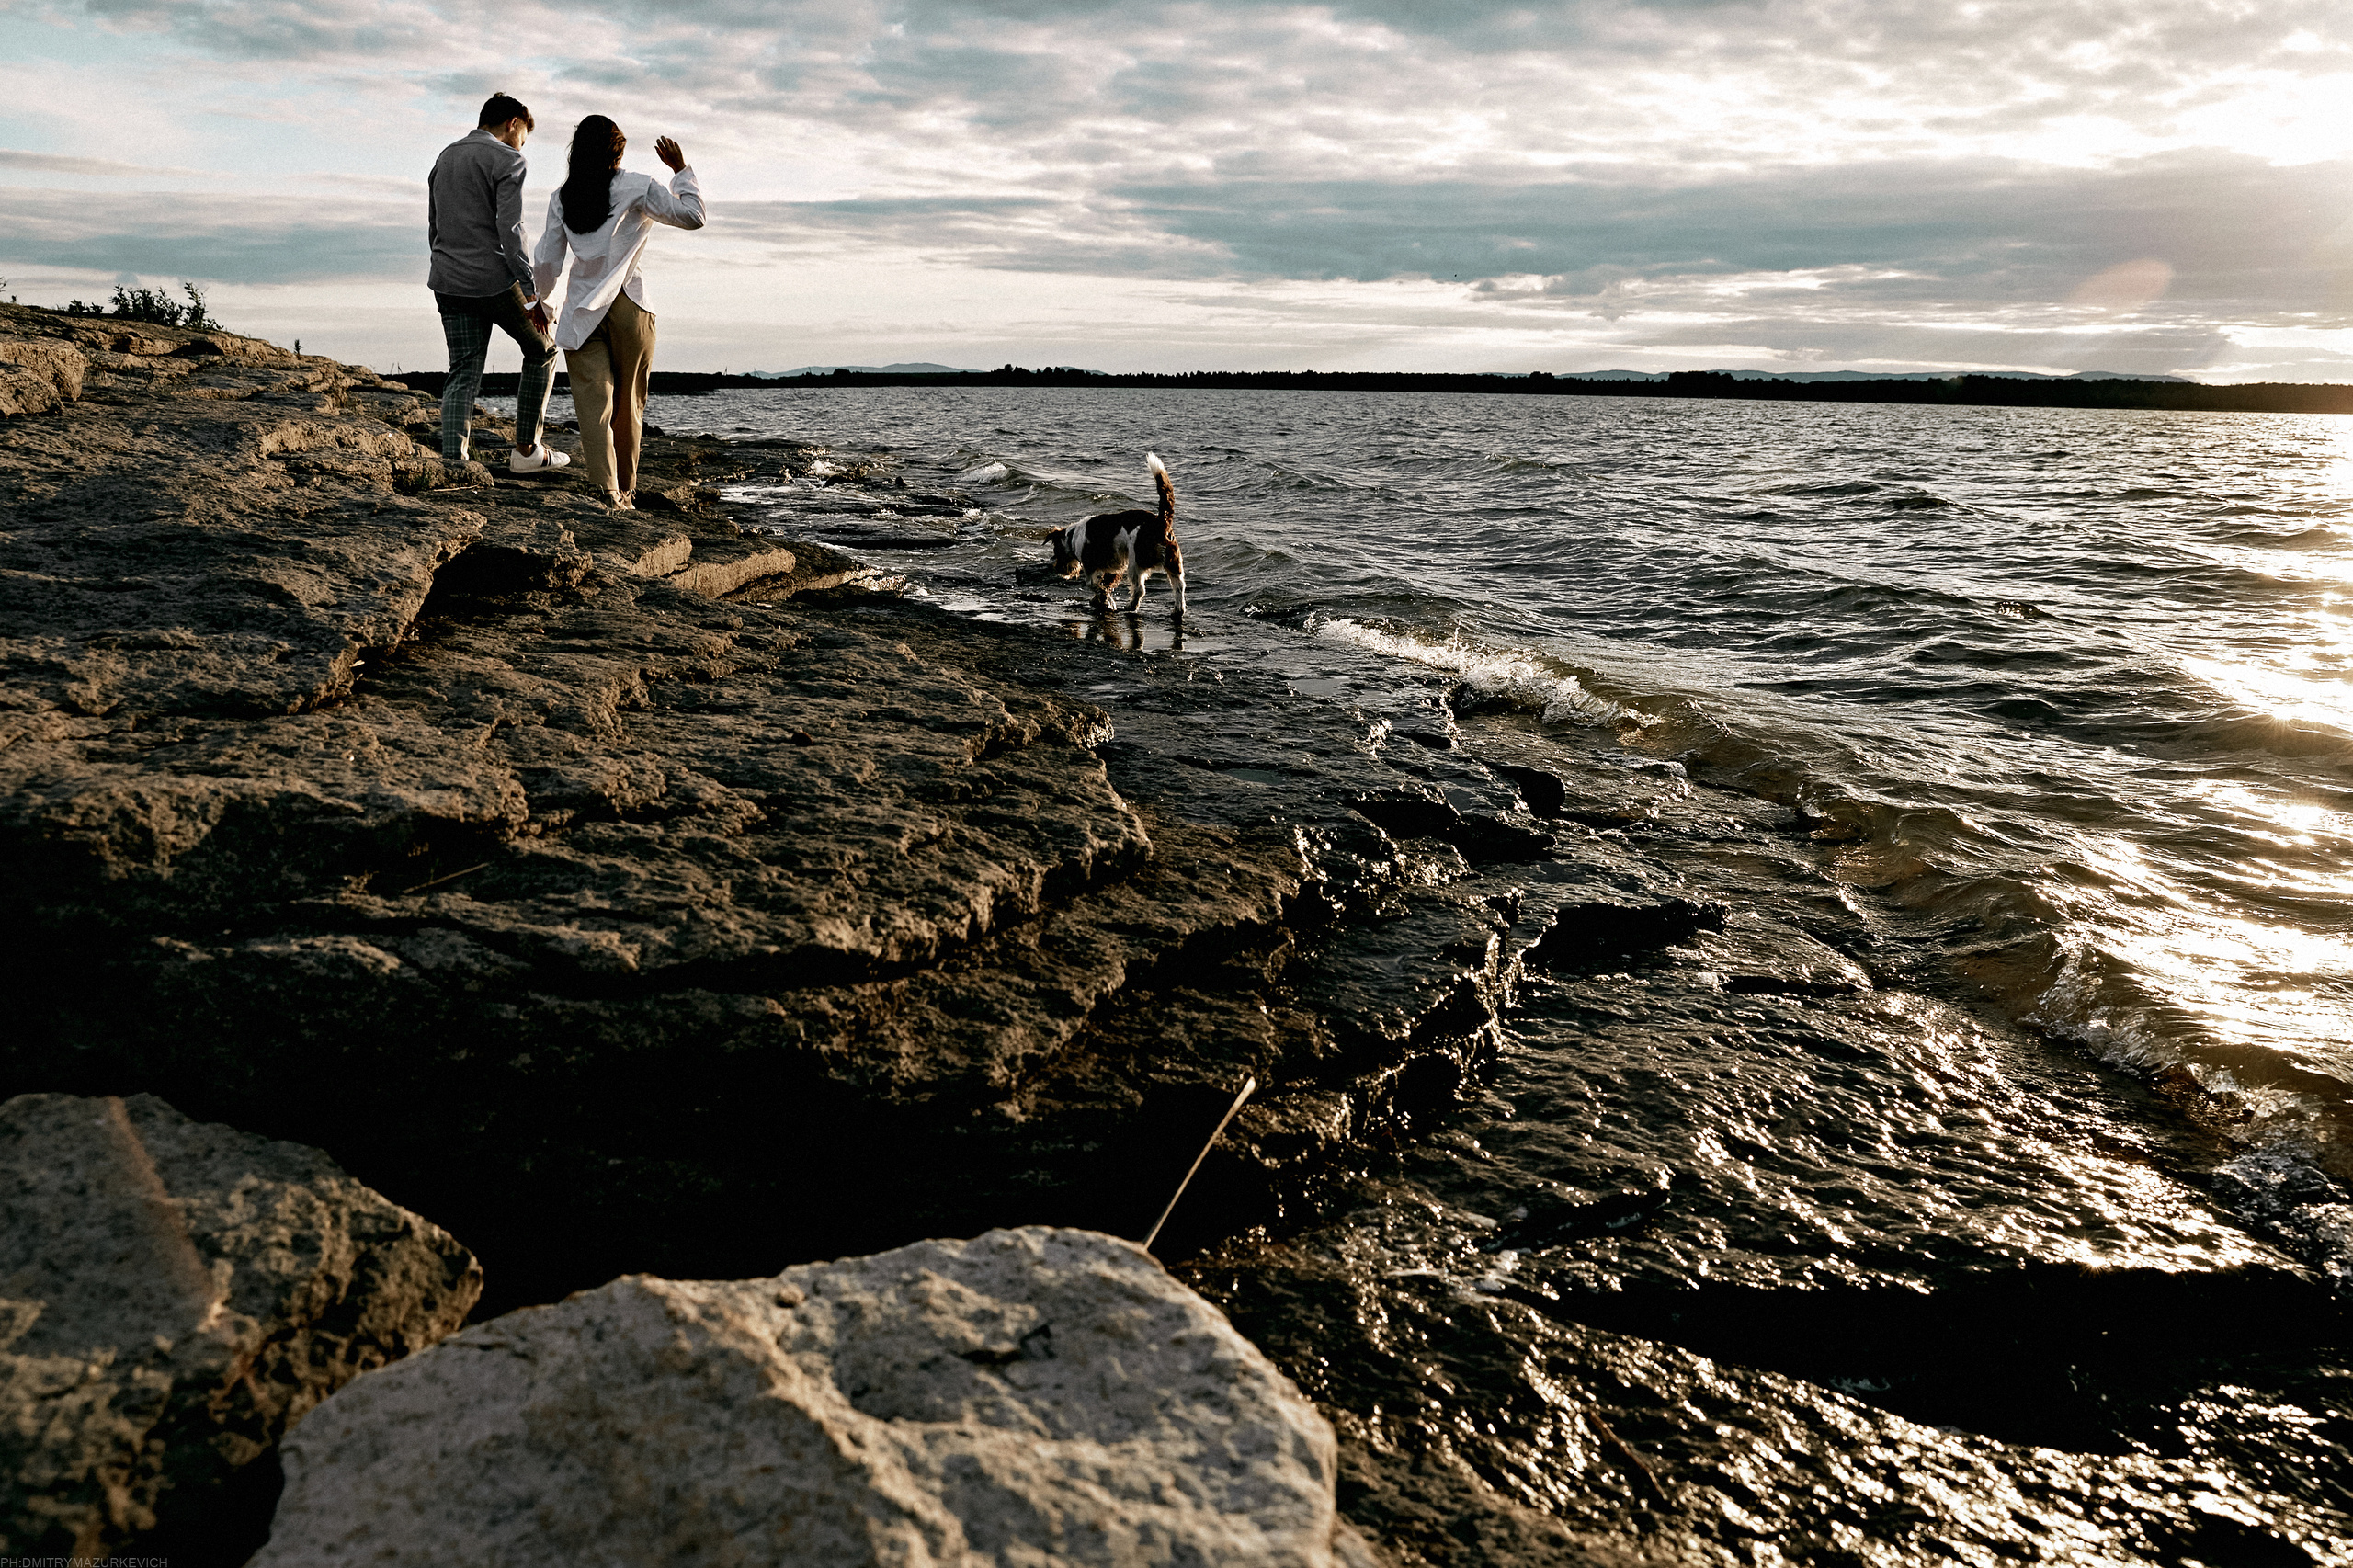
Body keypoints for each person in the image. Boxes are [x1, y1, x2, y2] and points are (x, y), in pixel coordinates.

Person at [531, 116, 704, 508]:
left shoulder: (562, 197)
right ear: (616, 153)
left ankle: (607, 491)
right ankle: (627, 490)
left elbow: (546, 263)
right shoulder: (638, 186)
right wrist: (680, 171)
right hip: (630, 305)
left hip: (581, 310)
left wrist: (540, 303)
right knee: (629, 406)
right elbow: (694, 217)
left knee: (594, 407)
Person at [426, 91, 568, 473]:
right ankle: (526, 451)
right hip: (494, 282)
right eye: (525, 134)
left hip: (447, 280)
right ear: (512, 124)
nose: (524, 143)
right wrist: (531, 292)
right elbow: (512, 229)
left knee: (464, 370)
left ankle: (453, 463)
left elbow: (434, 225)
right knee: (543, 349)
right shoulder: (508, 159)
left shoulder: (445, 157)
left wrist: (444, 264)